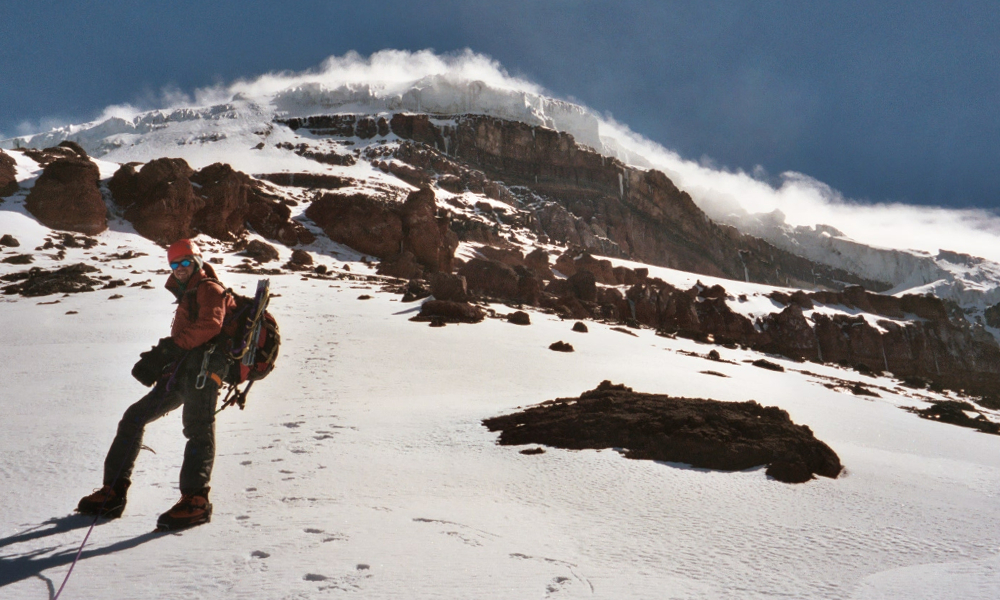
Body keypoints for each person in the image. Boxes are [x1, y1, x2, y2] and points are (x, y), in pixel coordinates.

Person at [77, 239, 236, 530]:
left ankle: (197, 501)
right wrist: (165, 360)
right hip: (182, 370)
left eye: (185, 262)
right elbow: (186, 337)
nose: (179, 269)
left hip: (205, 369)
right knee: (133, 418)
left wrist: (169, 348)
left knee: (197, 428)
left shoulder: (209, 288)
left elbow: (211, 325)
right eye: (174, 265)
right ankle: (113, 492)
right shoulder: (188, 292)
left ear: (197, 261)